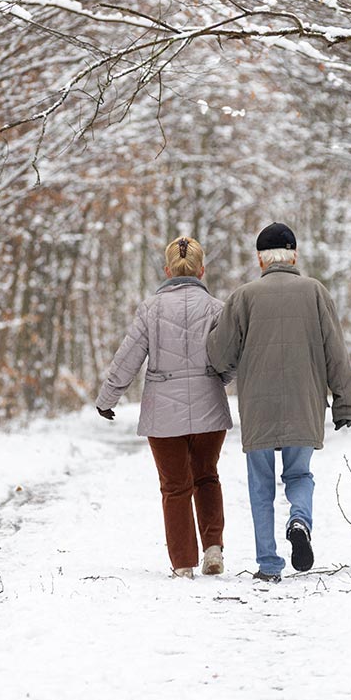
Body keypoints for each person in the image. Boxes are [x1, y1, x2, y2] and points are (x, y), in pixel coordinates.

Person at [206, 222, 351, 583]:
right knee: (299, 474)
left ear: (260, 259)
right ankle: (299, 520)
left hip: (258, 405)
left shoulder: (243, 296)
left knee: (260, 484)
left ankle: (269, 564)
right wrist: (344, 402)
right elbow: (335, 352)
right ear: (294, 255)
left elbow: (219, 355)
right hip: (304, 401)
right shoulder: (315, 292)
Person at [95, 236, 234, 578]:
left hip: (163, 415)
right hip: (209, 411)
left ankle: (183, 564)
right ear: (201, 270)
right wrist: (219, 380)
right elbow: (230, 357)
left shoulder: (150, 309)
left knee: (174, 487)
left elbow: (128, 358)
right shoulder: (217, 309)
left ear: (167, 270)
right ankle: (213, 548)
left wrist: (107, 398)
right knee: (207, 476)